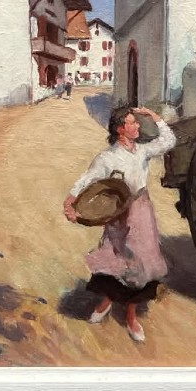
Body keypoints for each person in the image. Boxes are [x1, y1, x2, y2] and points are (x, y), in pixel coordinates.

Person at [62, 104, 176, 342]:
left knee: (140, 262)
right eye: (132, 122)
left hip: (141, 211)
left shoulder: (142, 151)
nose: (137, 126)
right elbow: (88, 179)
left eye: (137, 122)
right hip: (117, 213)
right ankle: (107, 301)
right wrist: (70, 202)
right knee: (117, 259)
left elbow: (168, 141)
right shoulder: (108, 157)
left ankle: (131, 315)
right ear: (120, 129)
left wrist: (156, 118)